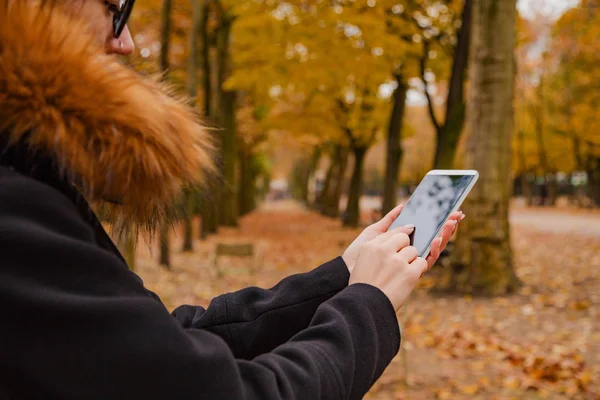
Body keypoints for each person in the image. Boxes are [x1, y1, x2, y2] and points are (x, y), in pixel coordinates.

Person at [0, 1, 464, 399]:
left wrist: (342, 275)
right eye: (115, 11)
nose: (128, 44)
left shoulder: (27, 183)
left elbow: (164, 346)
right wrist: (368, 303)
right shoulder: (17, 209)